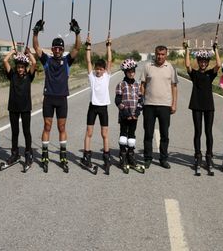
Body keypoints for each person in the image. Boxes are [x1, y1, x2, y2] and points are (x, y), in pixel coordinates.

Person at [32, 18, 82, 171]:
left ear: (62, 50)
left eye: (60, 49)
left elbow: (77, 48)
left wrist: (77, 33)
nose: (58, 51)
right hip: (49, 98)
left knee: (61, 127)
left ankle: (63, 155)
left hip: (61, 99)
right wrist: (35, 33)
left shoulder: (67, 61)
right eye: (55, 48)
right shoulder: (47, 60)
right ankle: (45, 154)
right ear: (52, 49)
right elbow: (36, 47)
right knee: (47, 126)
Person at [183, 41, 221, 173]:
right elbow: (187, 65)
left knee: (208, 132)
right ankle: (198, 156)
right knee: (198, 132)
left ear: (207, 62)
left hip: (209, 106)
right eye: (201, 61)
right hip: (196, 105)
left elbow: (219, 65)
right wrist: (187, 49)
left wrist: (215, 49)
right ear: (198, 62)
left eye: (205, 61)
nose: (203, 63)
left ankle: (209, 156)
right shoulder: (194, 74)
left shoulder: (210, 74)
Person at [140, 45, 178, 169]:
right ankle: (147, 158)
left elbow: (174, 87)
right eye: (158, 54)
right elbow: (143, 84)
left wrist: (174, 103)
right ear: (155, 54)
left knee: (165, 134)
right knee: (148, 134)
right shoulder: (147, 66)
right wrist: (142, 100)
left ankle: (163, 159)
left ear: (166, 55)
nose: (160, 56)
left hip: (165, 106)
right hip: (149, 105)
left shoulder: (170, 68)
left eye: (162, 54)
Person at [81, 35, 113, 171]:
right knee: (89, 132)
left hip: (103, 108)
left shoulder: (106, 76)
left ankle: (106, 158)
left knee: (104, 134)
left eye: (101, 69)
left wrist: (108, 46)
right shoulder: (92, 77)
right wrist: (88, 46)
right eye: (97, 69)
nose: (98, 71)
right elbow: (88, 61)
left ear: (105, 70)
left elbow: (109, 59)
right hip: (93, 107)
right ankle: (86, 156)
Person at [3, 48, 37, 167]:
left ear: (25, 67)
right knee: (15, 132)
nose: (20, 69)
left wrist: (29, 53)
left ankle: (28, 153)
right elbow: (5, 61)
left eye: (22, 67)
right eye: (18, 67)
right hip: (13, 108)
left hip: (26, 108)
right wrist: (12, 52)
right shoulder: (12, 75)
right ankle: (15, 153)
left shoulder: (29, 76)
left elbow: (34, 63)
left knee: (26, 132)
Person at [115, 58, 144, 170]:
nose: (131, 73)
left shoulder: (137, 85)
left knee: (132, 136)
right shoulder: (121, 85)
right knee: (123, 135)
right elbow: (117, 101)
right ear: (125, 72)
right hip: (124, 115)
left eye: (133, 71)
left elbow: (141, 100)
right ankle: (122, 156)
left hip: (134, 115)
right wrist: (126, 112)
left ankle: (131, 155)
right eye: (129, 72)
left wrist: (137, 112)